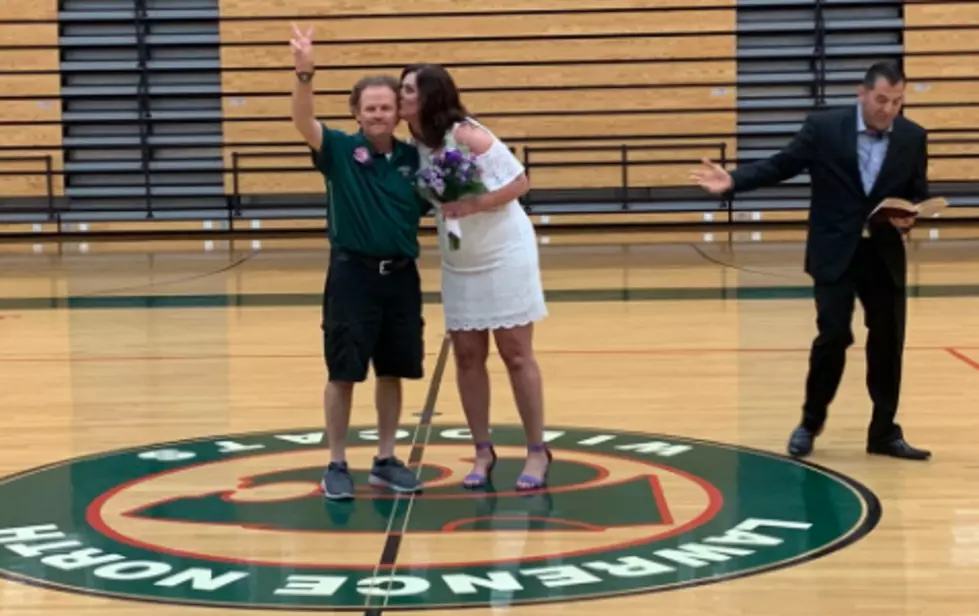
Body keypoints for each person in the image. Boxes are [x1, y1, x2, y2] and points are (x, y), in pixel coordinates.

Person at [690, 61, 931, 461]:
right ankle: (809, 422)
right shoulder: (825, 128)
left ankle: (885, 432)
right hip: (835, 252)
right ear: (863, 93)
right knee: (833, 337)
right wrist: (733, 180)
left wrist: (912, 215)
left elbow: (917, 191)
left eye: (897, 101)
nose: (888, 109)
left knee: (888, 343)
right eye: (881, 99)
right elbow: (781, 165)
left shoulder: (912, 137)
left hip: (883, 256)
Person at [289, 25, 430, 499]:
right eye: (369, 108)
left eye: (386, 107)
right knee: (343, 371)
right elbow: (303, 122)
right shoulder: (341, 152)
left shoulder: (416, 160)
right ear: (356, 112)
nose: (377, 115)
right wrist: (304, 75)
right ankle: (336, 463)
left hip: (402, 278)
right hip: (352, 276)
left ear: (398, 112)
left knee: (392, 370)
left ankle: (386, 459)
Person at [398, 63, 552, 490]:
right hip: (460, 259)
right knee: (467, 355)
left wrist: (475, 204)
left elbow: (520, 182)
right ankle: (482, 451)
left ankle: (537, 451)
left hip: (504, 251)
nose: (401, 95)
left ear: (429, 96)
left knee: (516, 354)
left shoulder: (466, 134)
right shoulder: (412, 145)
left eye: (408, 89)